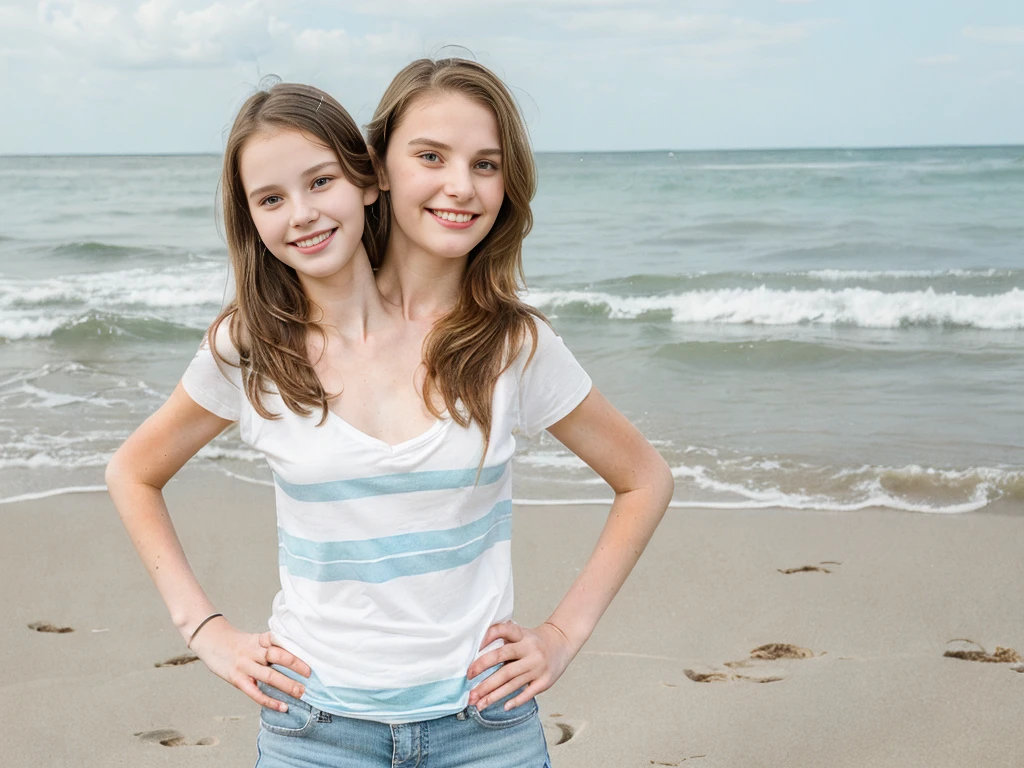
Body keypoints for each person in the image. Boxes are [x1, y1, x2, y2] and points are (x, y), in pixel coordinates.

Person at [107, 62, 673, 767]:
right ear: (380, 169)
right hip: (315, 729)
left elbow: (644, 478)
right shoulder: (255, 349)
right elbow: (133, 471)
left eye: (486, 164)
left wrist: (562, 633)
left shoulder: (512, 345)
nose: (460, 186)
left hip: (485, 728)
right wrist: (206, 630)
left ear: (355, 180)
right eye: (431, 156)